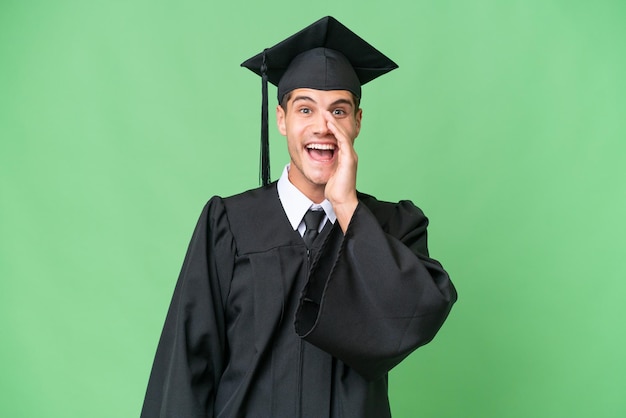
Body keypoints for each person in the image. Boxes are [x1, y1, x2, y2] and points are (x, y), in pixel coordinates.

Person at [141, 16, 457, 418]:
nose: (323, 127)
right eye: (305, 108)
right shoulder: (230, 224)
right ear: (281, 119)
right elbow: (185, 367)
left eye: (339, 111)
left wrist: (346, 207)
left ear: (358, 122)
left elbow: (415, 318)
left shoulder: (393, 227)